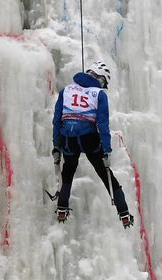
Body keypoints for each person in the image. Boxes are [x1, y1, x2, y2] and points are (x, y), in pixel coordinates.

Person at [51, 59, 134, 228]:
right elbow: (102, 124)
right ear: (100, 78)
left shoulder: (66, 90)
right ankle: (123, 212)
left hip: (68, 139)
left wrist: (56, 145)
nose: (102, 85)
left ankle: (61, 209)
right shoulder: (99, 94)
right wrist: (106, 150)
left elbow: (57, 120)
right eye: (103, 81)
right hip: (88, 138)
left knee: (67, 174)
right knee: (105, 174)